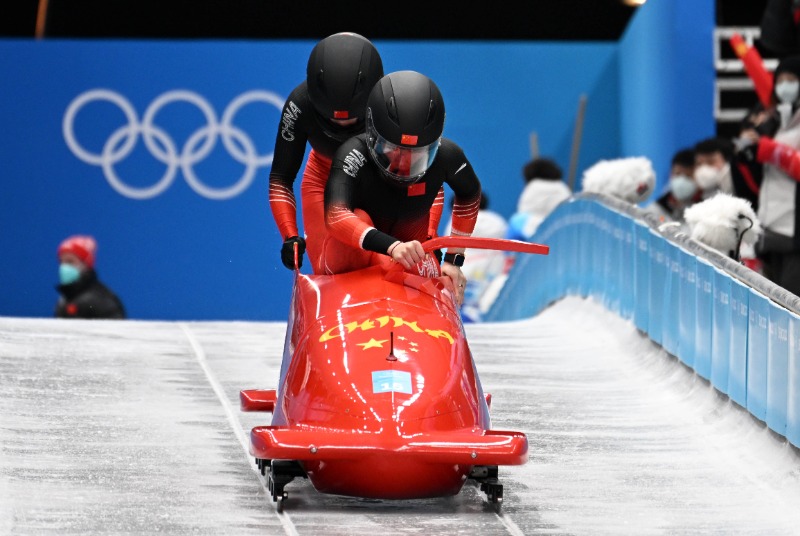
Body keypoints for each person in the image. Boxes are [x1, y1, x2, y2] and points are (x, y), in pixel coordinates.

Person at [321, 70, 483, 305]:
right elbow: (335, 215)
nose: (404, 165)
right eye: (394, 150)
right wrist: (392, 246)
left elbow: (469, 194)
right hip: (355, 258)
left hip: (411, 258)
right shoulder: (353, 154)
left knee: (417, 259)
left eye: (419, 154)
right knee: (359, 217)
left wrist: (454, 259)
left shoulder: (448, 156)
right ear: (373, 135)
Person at [268, 32, 385, 274]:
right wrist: (290, 236)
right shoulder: (298, 105)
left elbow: (425, 175)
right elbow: (281, 178)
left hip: (383, 185)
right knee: (331, 268)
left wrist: (428, 235)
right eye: (330, 117)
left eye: (352, 117)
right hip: (323, 183)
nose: (342, 125)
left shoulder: (393, 102)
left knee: (396, 265)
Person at [55, 235, 126, 319]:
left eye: (70, 262)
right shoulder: (63, 300)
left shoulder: (102, 300)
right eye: (61, 262)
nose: (64, 267)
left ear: (85, 264)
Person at [506, 157, 570, 240]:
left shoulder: (533, 186)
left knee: (516, 221)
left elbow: (523, 215)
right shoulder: (562, 187)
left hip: (536, 234)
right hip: (563, 231)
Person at [645, 148, 699, 223]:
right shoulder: (656, 209)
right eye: (677, 174)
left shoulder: (703, 209)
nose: (682, 180)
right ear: (670, 173)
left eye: (688, 176)